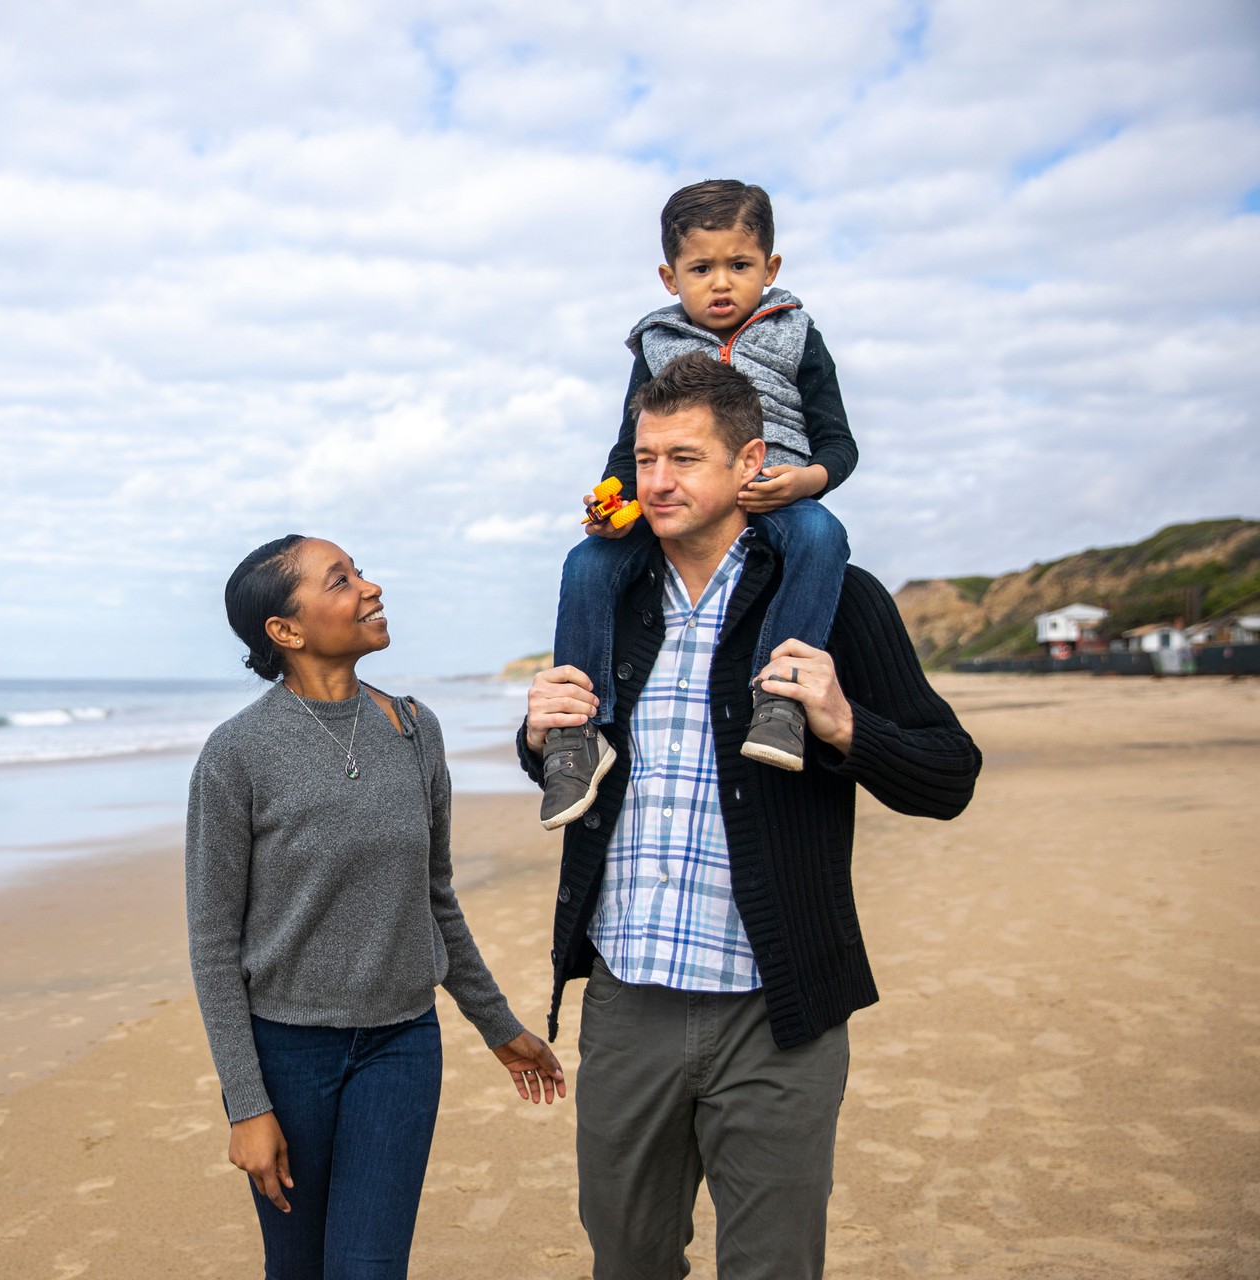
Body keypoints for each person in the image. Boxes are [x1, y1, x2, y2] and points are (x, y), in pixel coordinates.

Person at [518, 354, 980, 1279]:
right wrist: (538, 736)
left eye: (685, 458)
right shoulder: (610, 593)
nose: (656, 482)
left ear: (750, 462)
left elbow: (948, 774)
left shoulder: (835, 597)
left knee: (773, 1268)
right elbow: (567, 768)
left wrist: (844, 725)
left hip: (777, 1011)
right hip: (626, 1001)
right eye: (645, 459)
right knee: (628, 1262)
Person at [187, 534, 567, 1279]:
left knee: (369, 1268)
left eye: (357, 571)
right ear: (286, 631)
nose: (370, 588)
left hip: (401, 1047)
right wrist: (245, 1104)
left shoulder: (414, 729)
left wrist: (499, 1026)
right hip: (288, 1056)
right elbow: (211, 944)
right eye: (341, 580)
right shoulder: (236, 756)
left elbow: (435, 899)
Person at [541, 179, 861, 829]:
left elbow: (839, 440)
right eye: (701, 268)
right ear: (669, 276)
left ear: (770, 268)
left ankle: (781, 700)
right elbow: (630, 449)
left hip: (778, 493)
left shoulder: (796, 334)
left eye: (740, 266)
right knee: (586, 563)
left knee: (823, 537)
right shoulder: (656, 345)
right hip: (672, 510)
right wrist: (614, 502)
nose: (722, 283)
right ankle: (577, 734)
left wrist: (805, 482)